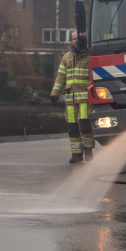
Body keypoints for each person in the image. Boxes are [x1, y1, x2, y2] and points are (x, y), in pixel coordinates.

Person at [51, 30, 94, 163]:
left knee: (84, 125)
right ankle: (76, 154)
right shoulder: (67, 57)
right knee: (72, 127)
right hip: (70, 99)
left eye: (78, 38)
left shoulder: (91, 55)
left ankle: (88, 150)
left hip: (85, 98)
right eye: (74, 39)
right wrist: (55, 93)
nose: (76, 41)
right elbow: (60, 76)